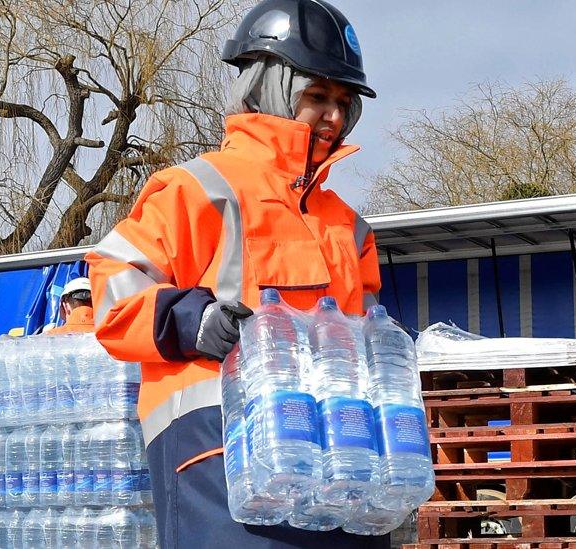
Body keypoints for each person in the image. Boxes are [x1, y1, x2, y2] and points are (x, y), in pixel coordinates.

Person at [86, 0, 384, 547]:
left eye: (344, 102)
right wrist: (191, 321)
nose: (334, 117)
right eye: (317, 97)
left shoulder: (350, 226)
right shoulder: (198, 188)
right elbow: (112, 292)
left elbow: (364, 337)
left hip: (338, 461)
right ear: (268, 87)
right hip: (218, 452)